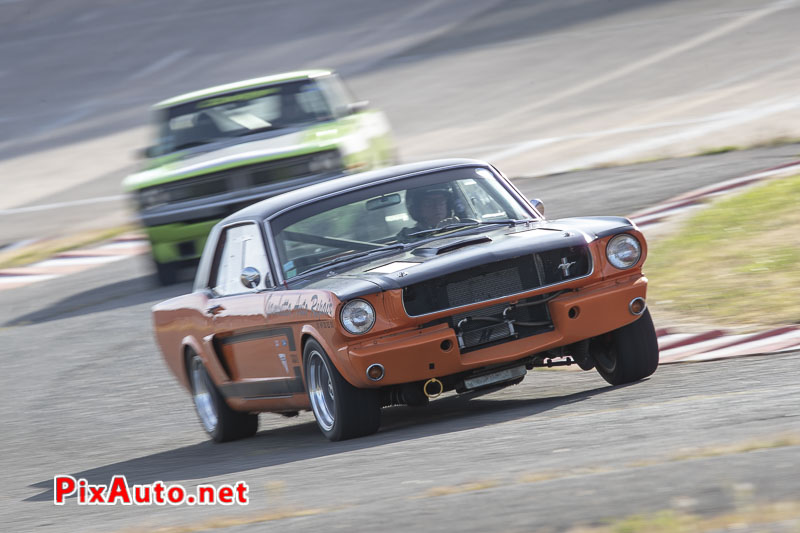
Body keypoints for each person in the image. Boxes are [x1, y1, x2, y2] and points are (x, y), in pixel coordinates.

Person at [397, 185, 461, 241]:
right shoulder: (407, 235)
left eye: (441, 201)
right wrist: (439, 233)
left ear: (448, 205)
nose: (437, 207)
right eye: (429, 203)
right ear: (417, 209)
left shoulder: (463, 225)